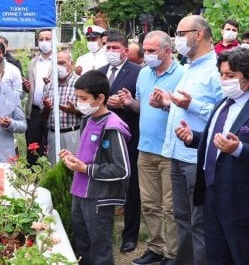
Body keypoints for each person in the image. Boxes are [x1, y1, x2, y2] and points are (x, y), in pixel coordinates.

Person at [174, 48, 249, 264]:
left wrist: (239, 149)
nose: (224, 80)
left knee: (244, 256)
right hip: (212, 194)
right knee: (217, 255)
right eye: (222, 74)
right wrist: (191, 138)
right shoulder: (222, 104)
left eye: (231, 76)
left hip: (243, 202)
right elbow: (214, 141)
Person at [157, 15, 222, 265]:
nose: (177, 38)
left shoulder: (216, 69)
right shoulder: (190, 66)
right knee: (181, 217)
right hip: (176, 154)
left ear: (199, 34)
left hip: (197, 158)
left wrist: (191, 104)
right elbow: (185, 107)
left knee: (199, 222)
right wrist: (166, 104)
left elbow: (222, 113)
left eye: (181, 33)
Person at [119, 30, 184, 265]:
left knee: (171, 206)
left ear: (167, 51)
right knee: (148, 203)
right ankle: (155, 248)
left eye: (151, 51)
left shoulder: (182, 75)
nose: (146, 55)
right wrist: (130, 103)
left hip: (170, 149)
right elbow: (142, 107)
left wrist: (166, 105)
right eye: (144, 50)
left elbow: (185, 112)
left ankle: (172, 253)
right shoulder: (144, 74)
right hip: (145, 148)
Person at [60, 70, 131, 265]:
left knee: (100, 249)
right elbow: (90, 156)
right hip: (80, 192)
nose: (79, 103)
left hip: (98, 197)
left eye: (83, 98)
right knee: (83, 245)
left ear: (100, 98)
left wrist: (86, 169)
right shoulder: (88, 119)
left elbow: (121, 169)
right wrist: (73, 157)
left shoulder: (112, 126)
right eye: (78, 98)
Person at [95, 30, 142, 254]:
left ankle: (130, 235)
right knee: (106, 184)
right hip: (104, 137)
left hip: (129, 135)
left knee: (131, 188)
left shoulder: (137, 72)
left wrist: (125, 102)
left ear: (125, 50)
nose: (111, 52)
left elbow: (142, 105)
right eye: (108, 48)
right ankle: (104, 231)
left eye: (116, 48)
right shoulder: (100, 72)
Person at [42, 51, 82, 163]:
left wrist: (74, 110)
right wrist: (46, 108)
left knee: (73, 167)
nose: (59, 66)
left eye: (62, 63)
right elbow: (43, 116)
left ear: (71, 64)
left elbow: (88, 111)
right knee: (54, 168)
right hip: (53, 134)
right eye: (56, 64)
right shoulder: (50, 85)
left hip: (72, 133)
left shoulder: (80, 83)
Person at [23, 29, 55, 162]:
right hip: (35, 111)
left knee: (50, 146)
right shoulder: (33, 63)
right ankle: (32, 178)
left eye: (47, 39)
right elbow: (29, 87)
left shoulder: (59, 61)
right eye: (41, 39)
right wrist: (26, 87)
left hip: (52, 112)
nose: (44, 42)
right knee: (32, 148)